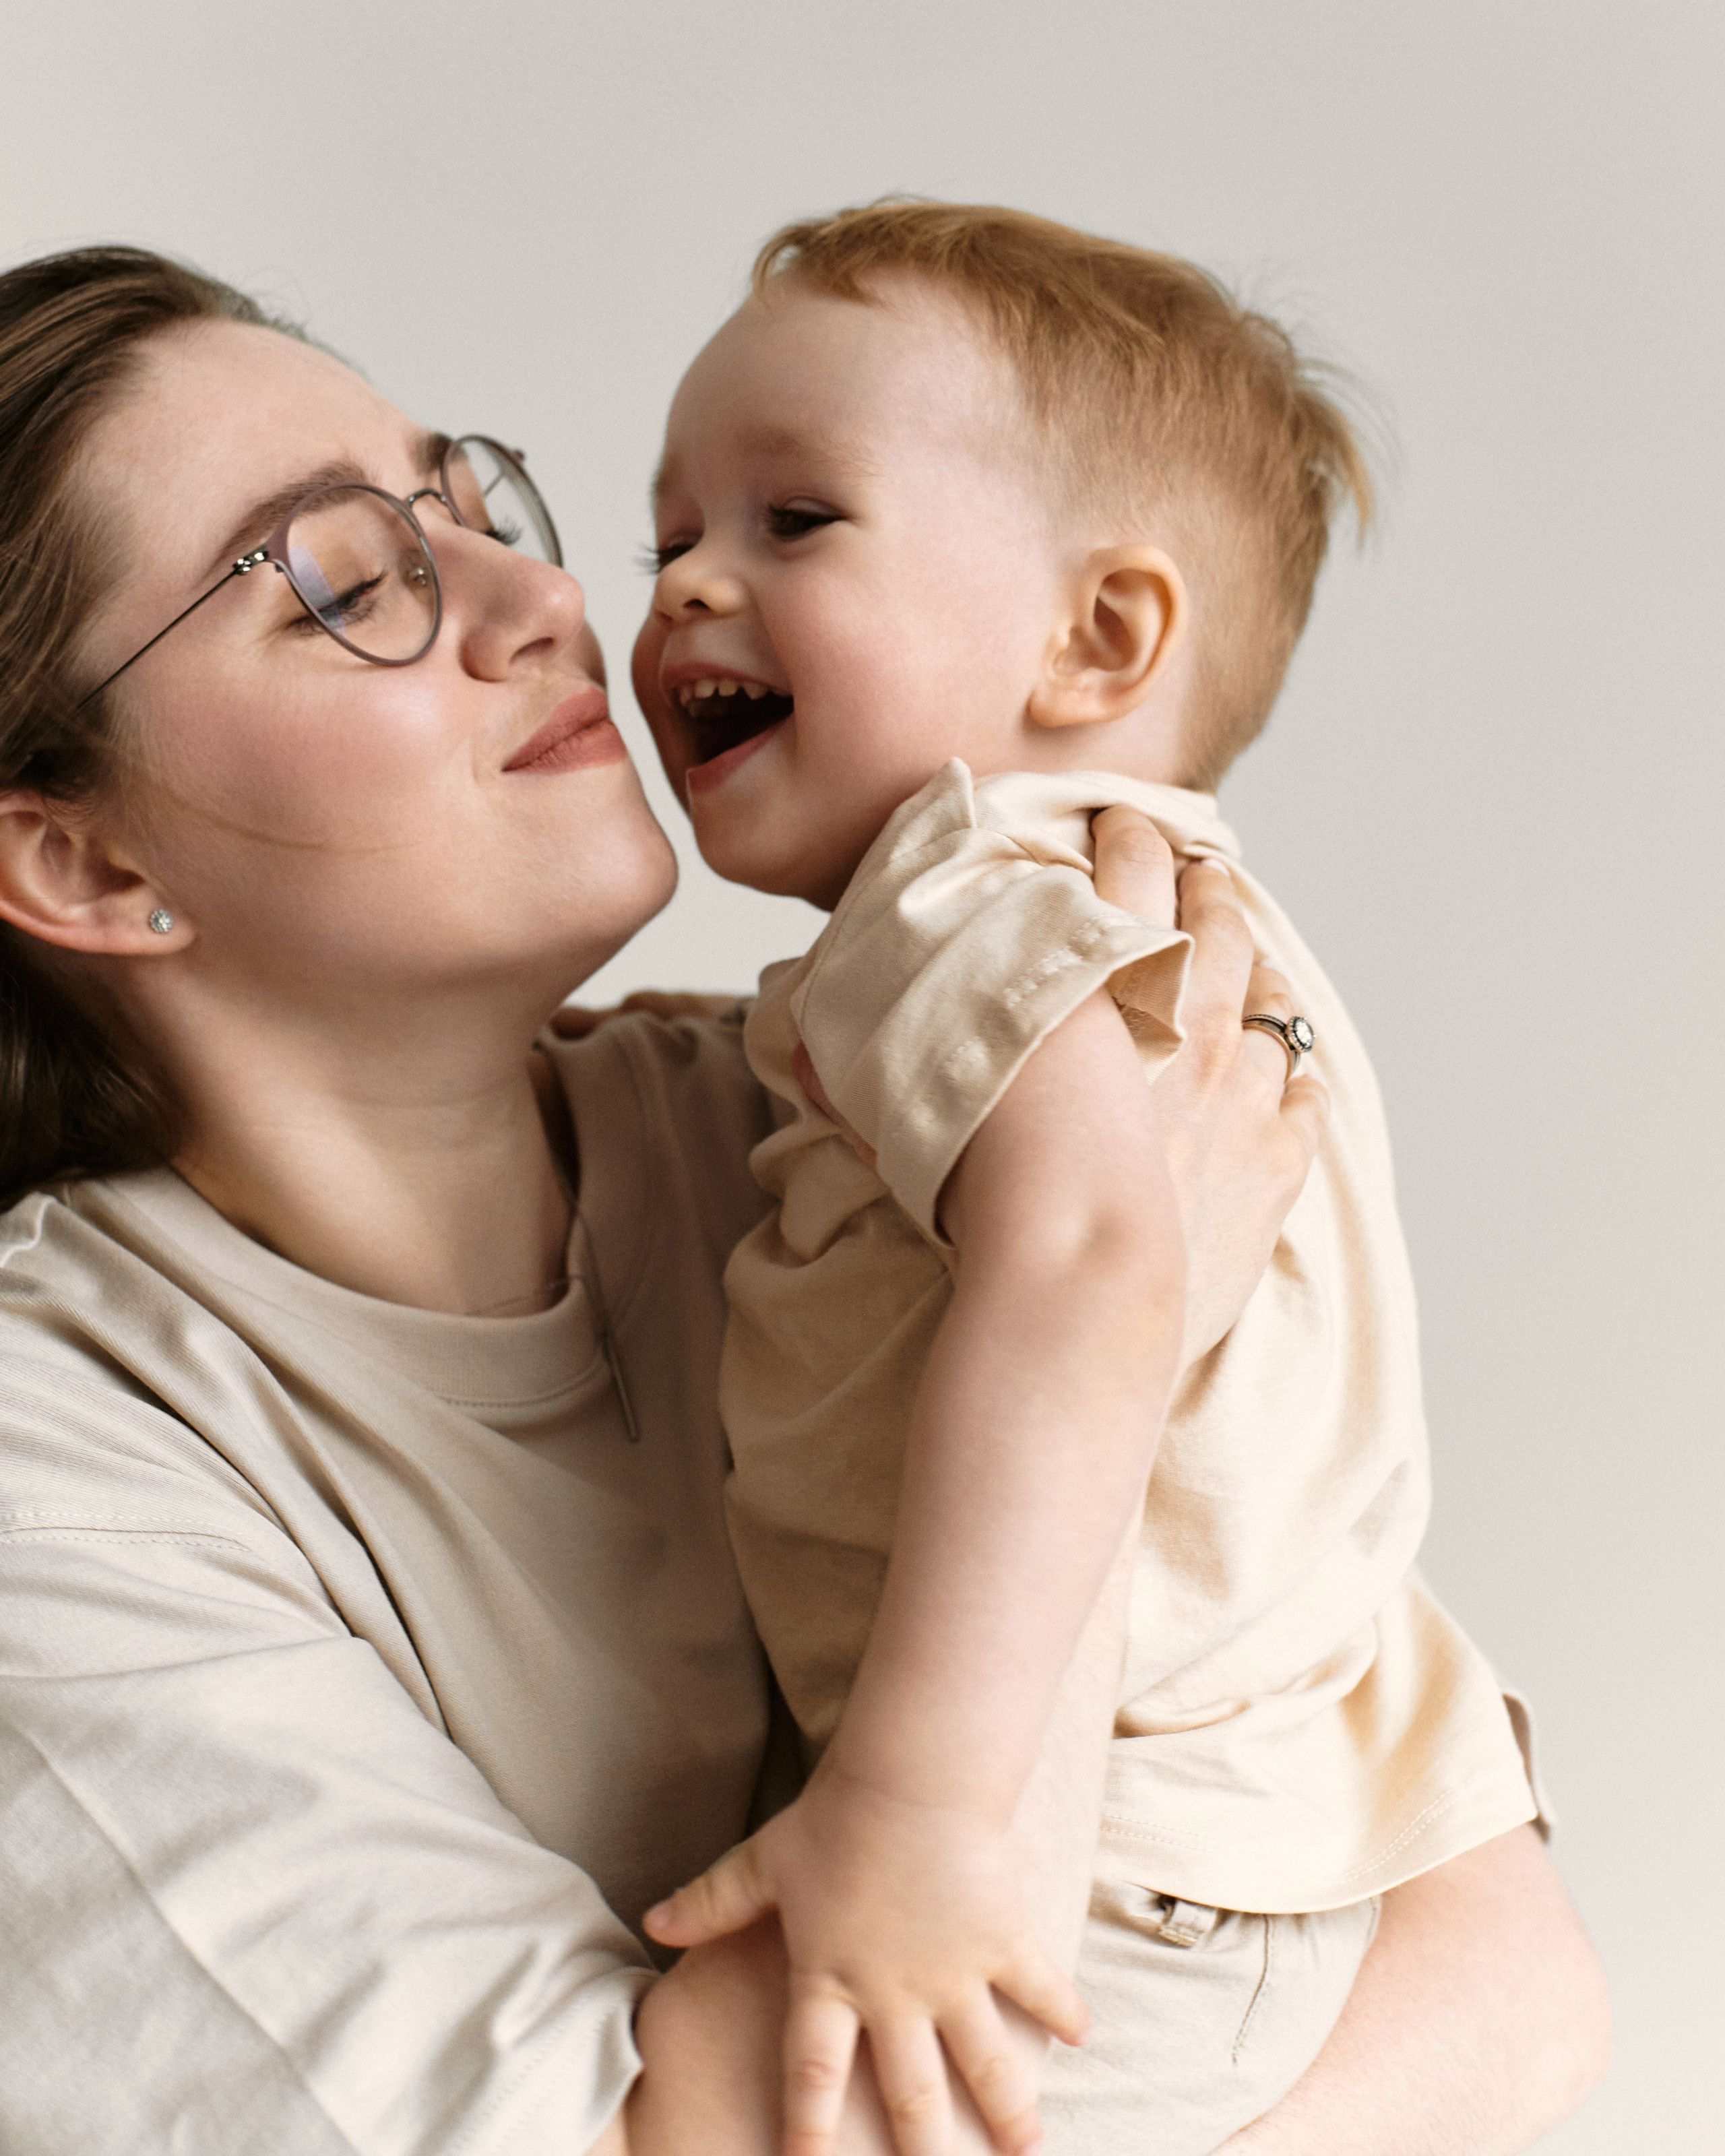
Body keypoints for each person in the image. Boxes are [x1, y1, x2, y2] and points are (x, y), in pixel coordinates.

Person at [0, 243, 1604, 2156]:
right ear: (84, 865)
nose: (551, 599)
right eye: (350, 583)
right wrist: (1134, 1299)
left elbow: (1500, 1956)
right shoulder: (62, 1457)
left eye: (474, 505)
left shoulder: (820, 1123)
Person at [629, 202, 1586, 2155]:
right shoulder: (1151, 916)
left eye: (794, 523)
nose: (684, 593)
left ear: (1099, 637)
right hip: (1246, 1841)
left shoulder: (965, 885)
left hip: (1083, 1871)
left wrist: (920, 1797)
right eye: (673, 536)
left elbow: (1086, 1261)